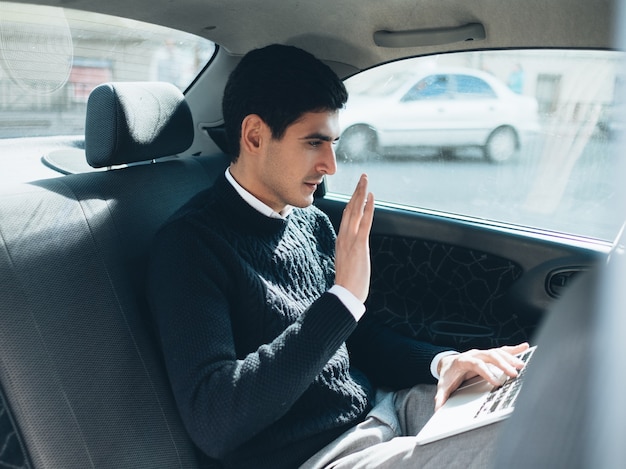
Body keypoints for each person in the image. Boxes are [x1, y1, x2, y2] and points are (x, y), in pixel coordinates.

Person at [147, 44, 529, 469]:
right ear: (254, 135)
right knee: (530, 434)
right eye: (314, 142)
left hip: (381, 412)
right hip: (319, 457)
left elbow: (354, 340)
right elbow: (216, 420)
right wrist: (343, 299)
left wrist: (443, 363)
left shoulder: (309, 224)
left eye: (333, 142)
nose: (330, 164)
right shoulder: (190, 247)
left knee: (532, 391)